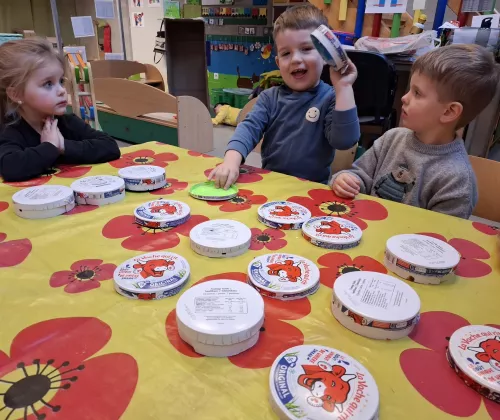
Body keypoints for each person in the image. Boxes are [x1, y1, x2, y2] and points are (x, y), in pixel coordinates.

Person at [330, 44, 499, 219]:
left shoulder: (457, 180)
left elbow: (443, 233)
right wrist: (345, 180)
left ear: (449, 112)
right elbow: (360, 175)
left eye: (417, 93)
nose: (404, 98)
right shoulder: (392, 138)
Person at [208, 4, 360, 188]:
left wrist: (344, 88)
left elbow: (345, 141)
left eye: (306, 49)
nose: (295, 59)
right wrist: (231, 161)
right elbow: (248, 129)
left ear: (324, 56)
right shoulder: (269, 98)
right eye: (286, 53)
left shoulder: (331, 98)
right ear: (278, 63)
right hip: (272, 186)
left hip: (312, 190)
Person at [0, 38, 120, 182]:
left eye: (61, 81)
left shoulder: (67, 122)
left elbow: (110, 146)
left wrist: (63, 146)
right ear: (16, 94)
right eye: (48, 84)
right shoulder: (10, 132)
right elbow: (10, 167)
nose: (62, 90)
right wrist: (49, 146)